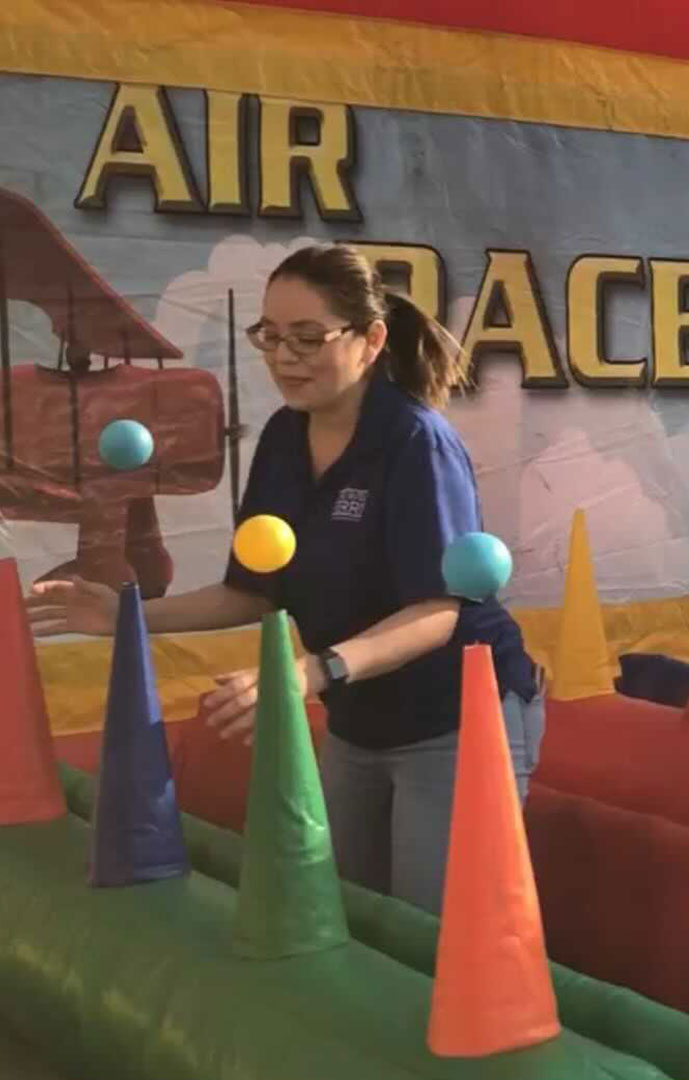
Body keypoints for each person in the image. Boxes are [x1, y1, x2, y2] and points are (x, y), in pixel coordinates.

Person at [25, 244, 541, 914]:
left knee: (433, 927)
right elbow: (255, 589)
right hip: (358, 721)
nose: (284, 357)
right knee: (344, 916)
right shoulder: (281, 438)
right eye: (270, 336)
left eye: (307, 337)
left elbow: (438, 612)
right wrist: (128, 614)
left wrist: (309, 673)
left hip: (458, 717)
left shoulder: (416, 440)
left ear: (370, 340)